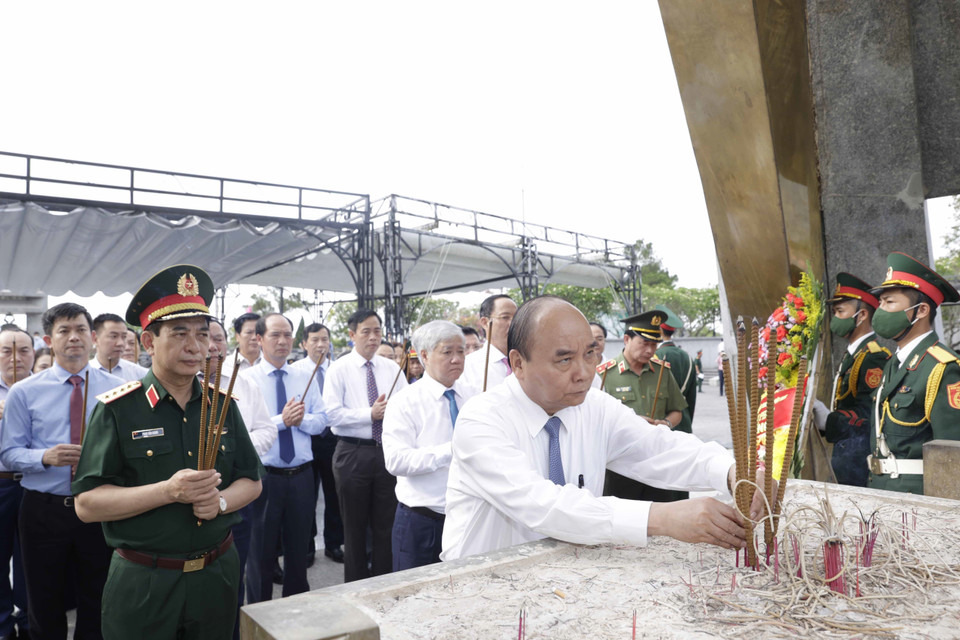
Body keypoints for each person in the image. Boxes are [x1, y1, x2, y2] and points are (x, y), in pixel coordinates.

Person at [441, 297, 769, 562]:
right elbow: (543, 505)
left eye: (590, 354)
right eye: (564, 360)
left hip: (567, 573)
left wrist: (731, 471)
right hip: (483, 583)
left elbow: (658, 447)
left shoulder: (593, 406)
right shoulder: (481, 420)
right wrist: (661, 518)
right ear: (518, 363)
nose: (584, 372)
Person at [71, 266, 263, 640]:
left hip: (216, 575)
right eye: (179, 333)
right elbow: (87, 505)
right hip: (145, 581)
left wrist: (221, 502)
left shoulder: (221, 405)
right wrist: (168, 491)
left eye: (202, 334)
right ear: (148, 341)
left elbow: (252, 481)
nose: (195, 346)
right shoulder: (117, 410)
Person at [0, 303, 121, 640]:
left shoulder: (117, 390)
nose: (74, 338)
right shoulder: (25, 391)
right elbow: (9, 453)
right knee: (43, 600)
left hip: (98, 507)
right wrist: (45, 457)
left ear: (92, 337)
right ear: (48, 340)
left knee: (98, 597)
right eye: (64, 331)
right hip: (43, 509)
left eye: (80, 330)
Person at [241, 313, 327, 602]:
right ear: (259, 339)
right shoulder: (246, 380)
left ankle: (297, 612)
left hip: (301, 475)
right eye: (275, 335)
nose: (282, 341)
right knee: (261, 555)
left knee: (299, 551)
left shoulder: (304, 376)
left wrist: (302, 420)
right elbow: (243, 433)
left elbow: (322, 421)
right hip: (264, 477)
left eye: (287, 335)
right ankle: (258, 614)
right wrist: (282, 421)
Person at [323, 309, 407, 582]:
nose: (373, 337)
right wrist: (369, 414)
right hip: (352, 452)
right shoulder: (339, 369)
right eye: (366, 332)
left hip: (387, 451)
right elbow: (332, 415)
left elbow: (408, 405)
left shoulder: (392, 368)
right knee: (354, 527)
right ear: (352, 335)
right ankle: (355, 586)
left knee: (386, 525)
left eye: (377, 331)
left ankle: (383, 583)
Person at [866, 253, 960, 495]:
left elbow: (952, 454)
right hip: (881, 490)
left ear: (921, 311)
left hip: (917, 497)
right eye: (880, 303)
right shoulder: (894, 363)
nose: (880, 310)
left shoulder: (943, 367)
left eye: (889, 302)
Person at [206, 318, 276, 640]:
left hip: (237, 496)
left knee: (232, 578)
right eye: (204, 337)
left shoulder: (243, 385)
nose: (212, 346)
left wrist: (236, 451)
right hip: (189, 504)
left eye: (218, 339)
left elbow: (266, 429)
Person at [383, 322, 467, 571]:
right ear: (425, 355)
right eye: (447, 352)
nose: (456, 359)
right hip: (421, 521)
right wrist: (450, 450)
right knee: (415, 590)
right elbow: (396, 461)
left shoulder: (474, 397)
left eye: (461, 351)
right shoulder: (404, 402)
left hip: (466, 518)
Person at [599, 310, 688, 503]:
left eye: (654, 344)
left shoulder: (662, 372)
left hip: (657, 463)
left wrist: (666, 423)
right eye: (644, 343)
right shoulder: (605, 374)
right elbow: (595, 419)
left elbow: (677, 411)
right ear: (626, 339)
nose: (650, 350)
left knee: (663, 515)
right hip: (619, 467)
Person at [811, 274, 890, 487]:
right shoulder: (853, 354)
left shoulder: (873, 357)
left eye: (840, 311)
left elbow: (869, 413)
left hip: (861, 459)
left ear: (862, 315)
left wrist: (830, 420)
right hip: (847, 455)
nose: (835, 318)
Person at [292, 323, 343, 565]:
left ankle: (333, 544)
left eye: (324, 339)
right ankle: (307, 546)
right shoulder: (296, 371)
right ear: (304, 344)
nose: (321, 344)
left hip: (333, 438)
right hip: (307, 437)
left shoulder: (337, 369)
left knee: (334, 494)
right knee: (308, 497)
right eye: (315, 340)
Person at [0, 328, 33, 640]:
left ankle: (29, 621)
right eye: (7, 351)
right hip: (0, 484)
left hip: (36, 485)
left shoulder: (46, 388)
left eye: (23, 350)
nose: (15, 358)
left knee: (33, 560)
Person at [460, 294, 517, 394]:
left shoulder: (527, 362)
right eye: (505, 317)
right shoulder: (467, 367)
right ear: (485, 322)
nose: (513, 323)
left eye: (516, 318)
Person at [654, 305, 697, 430]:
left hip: (662, 420)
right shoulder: (687, 356)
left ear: (660, 330)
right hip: (684, 418)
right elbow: (692, 396)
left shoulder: (655, 355)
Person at [90, 313, 149, 382]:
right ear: (95, 339)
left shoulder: (142, 375)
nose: (120, 343)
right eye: (114, 336)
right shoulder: (83, 374)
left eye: (124, 337)